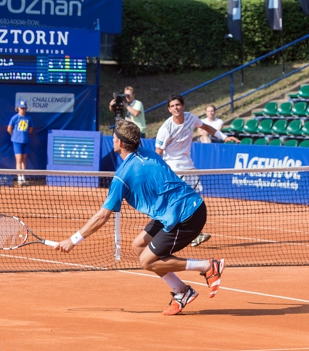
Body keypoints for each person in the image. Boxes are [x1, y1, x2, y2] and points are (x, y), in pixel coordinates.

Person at [55, 120, 225, 316]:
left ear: (119, 143)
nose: (112, 138)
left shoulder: (121, 177)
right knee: (138, 246)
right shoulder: (146, 152)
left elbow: (102, 216)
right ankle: (182, 291)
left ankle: (207, 266)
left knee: (147, 261)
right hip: (174, 210)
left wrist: (73, 240)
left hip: (185, 215)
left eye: (114, 136)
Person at [156, 94, 239, 247]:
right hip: (173, 168)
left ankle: (185, 232)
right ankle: (181, 232)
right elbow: (158, 152)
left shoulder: (191, 118)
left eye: (178, 105)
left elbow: (205, 127)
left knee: (192, 201)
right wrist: (156, 172)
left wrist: (224, 137)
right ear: (169, 109)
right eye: (172, 106)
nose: (176, 108)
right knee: (184, 201)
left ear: (183, 106)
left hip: (189, 167)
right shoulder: (165, 129)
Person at [7, 100, 34, 185]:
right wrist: (15, 136)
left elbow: (31, 129)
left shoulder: (29, 118)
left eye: (24, 108)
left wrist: (25, 135)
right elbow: (9, 129)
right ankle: (19, 179)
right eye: (21, 108)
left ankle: (23, 178)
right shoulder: (15, 118)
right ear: (18, 108)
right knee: (18, 160)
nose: (23, 110)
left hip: (26, 141)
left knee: (24, 159)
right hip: (17, 142)